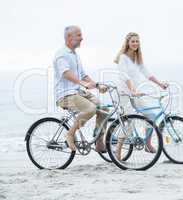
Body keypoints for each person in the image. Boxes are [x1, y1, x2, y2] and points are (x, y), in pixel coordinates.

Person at [114, 32, 168, 160]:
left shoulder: (137, 59)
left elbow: (146, 72)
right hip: (124, 94)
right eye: (133, 41)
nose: (135, 44)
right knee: (129, 122)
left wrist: (160, 84)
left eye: (137, 41)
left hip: (135, 93)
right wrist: (132, 90)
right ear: (128, 43)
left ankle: (147, 144)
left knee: (152, 116)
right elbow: (124, 75)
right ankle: (117, 151)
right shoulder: (123, 58)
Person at [53, 25, 107, 152]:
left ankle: (99, 141)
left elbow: (83, 75)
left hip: (78, 92)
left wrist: (98, 85)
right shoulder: (61, 54)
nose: (82, 38)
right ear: (68, 37)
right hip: (65, 95)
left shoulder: (75, 55)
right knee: (90, 109)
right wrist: (82, 83)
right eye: (78, 35)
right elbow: (66, 73)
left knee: (104, 109)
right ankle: (69, 134)